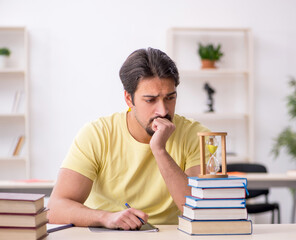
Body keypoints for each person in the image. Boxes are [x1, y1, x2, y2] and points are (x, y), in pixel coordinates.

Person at [47, 47, 209, 230]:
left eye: (170, 98)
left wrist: (160, 150)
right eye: (150, 100)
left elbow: (203, 211)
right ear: (128, 99)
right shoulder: (97, 134)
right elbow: (55, 208)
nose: (163, 111)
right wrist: (106, 218)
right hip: (108, 234)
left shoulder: (197, 136)